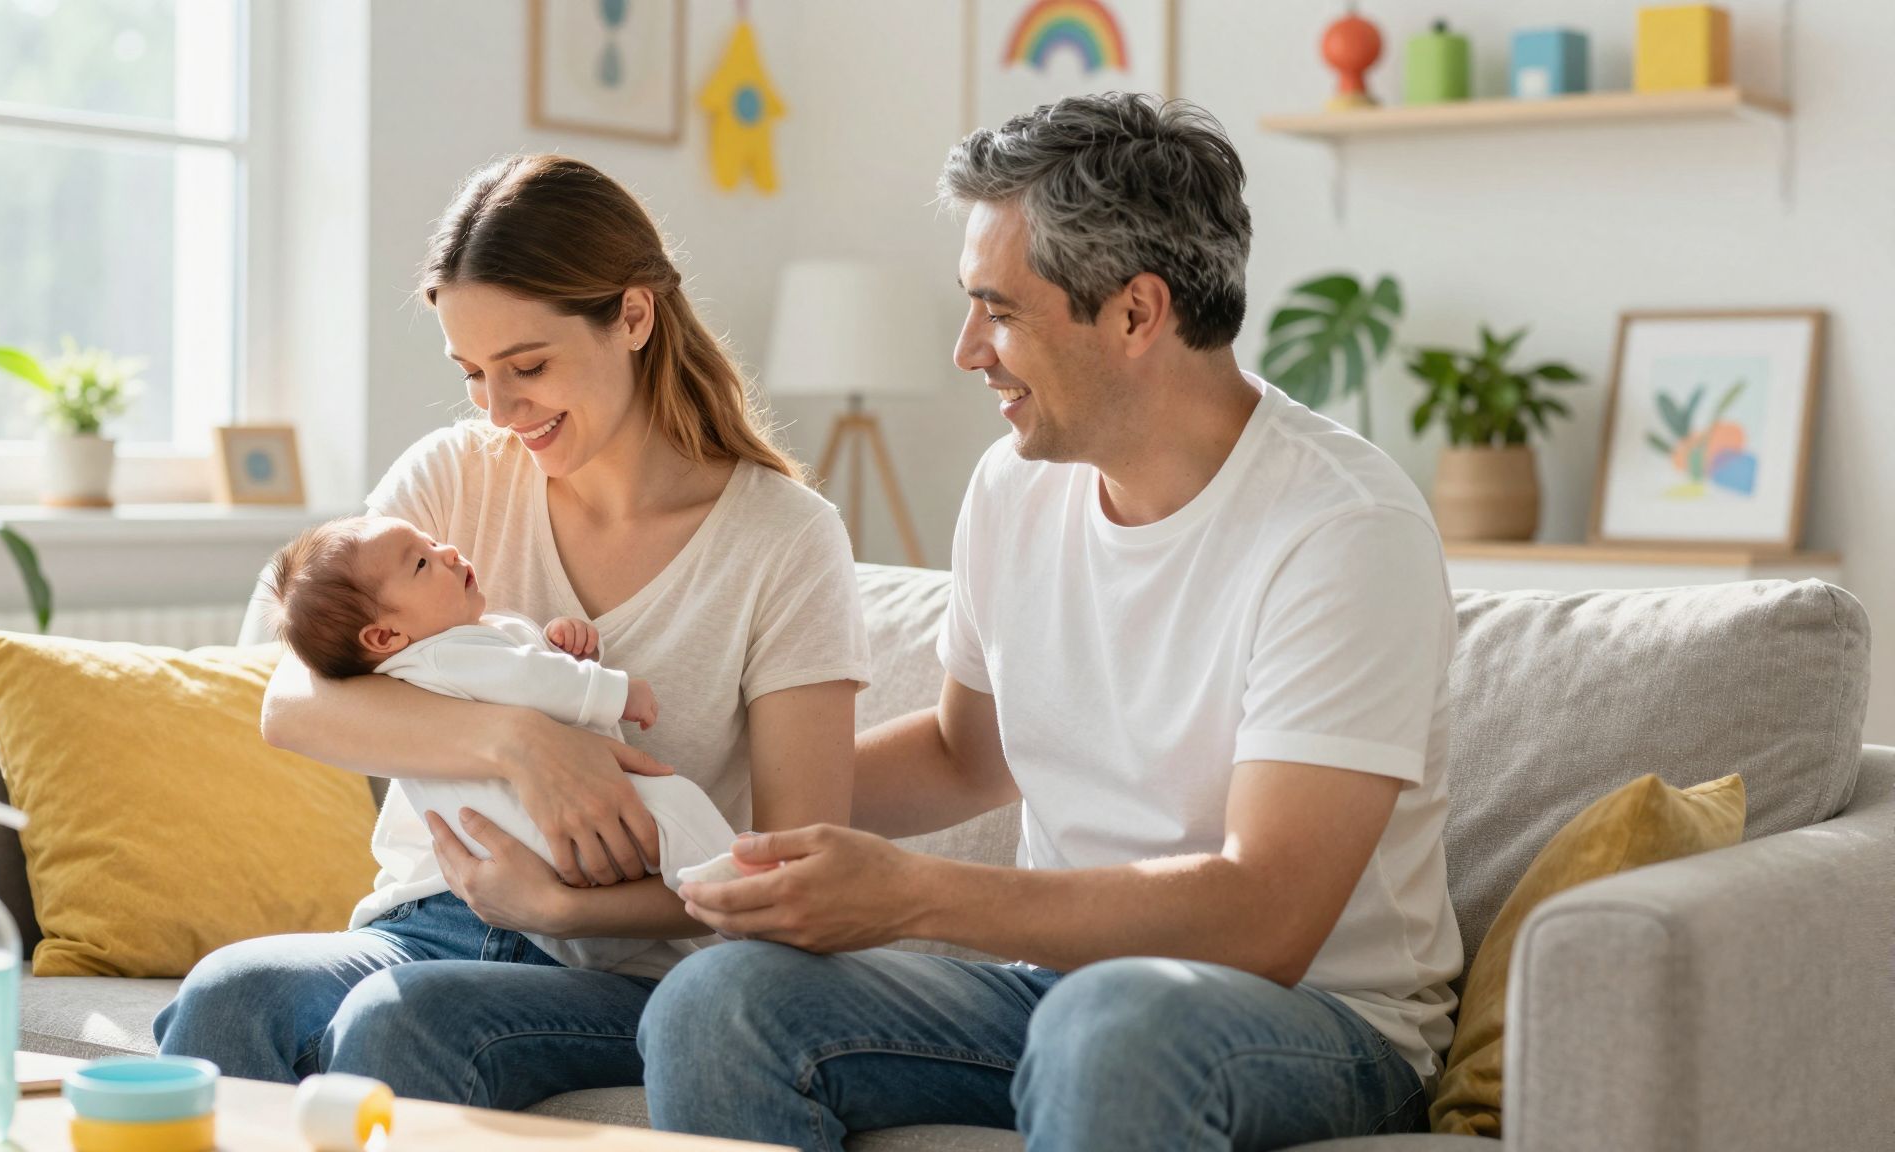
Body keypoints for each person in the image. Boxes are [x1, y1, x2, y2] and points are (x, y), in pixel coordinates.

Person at [645, 93, 1464, 1152]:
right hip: (1058, 998)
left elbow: (1266, 916)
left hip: (1320, 1026)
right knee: (720, 1003)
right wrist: (705, 797)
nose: (965, 351)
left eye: (998, 310)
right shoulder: (1012, 487)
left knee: (1110, 1023)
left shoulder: (1342, 529)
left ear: (1134, 313)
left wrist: (911, 899)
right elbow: (960, 755)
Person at [154, 153, 868, 1111]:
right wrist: (526, 742)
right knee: (231, 993)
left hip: (630, 968)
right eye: (473, 374)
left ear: (634, 316)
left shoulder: (784, 539)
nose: (497, 408)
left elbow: (793, 875)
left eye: (527, 367)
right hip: (424, 926)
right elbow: (292, 702)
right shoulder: (452, 478)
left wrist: (563, 907)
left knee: (400, 1020)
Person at [256, 513, 739, 975]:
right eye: (421, 563)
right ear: (384, 634)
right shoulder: (444, 656)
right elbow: (531, 680)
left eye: (429, 542)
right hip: (533, 842)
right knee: (676, 805)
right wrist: (613, 690)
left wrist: (567, 650)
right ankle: (737, 881)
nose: (445, 551)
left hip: (527, 864)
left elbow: (526, 670)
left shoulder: (435, 657)